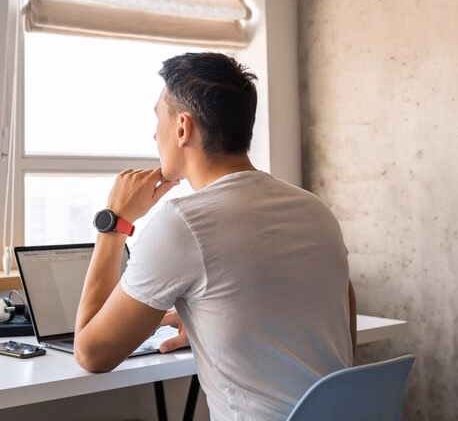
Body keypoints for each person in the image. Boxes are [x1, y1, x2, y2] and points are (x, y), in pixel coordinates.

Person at [74, 52, 356, 421]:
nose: (154, 134)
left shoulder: (182, 223)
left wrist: (115, 223)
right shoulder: (316, 210)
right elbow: (341, 327)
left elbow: (91, 354)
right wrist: (219, 326)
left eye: (158, 118)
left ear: (182, 128)